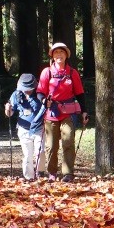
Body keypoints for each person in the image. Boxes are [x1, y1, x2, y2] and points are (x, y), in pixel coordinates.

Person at [36, 42, 89, 183]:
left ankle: (68, 174)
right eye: (56, 52)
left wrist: (84, 112)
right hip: (51, 113)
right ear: (52, 56)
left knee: (68, 142)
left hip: (69, 113)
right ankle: (52, 173)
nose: (59, 54)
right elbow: (40, 92)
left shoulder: (72, 73)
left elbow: (80, 94)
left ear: (66, 55)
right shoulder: (46, 72)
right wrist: (43, 101)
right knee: (51, 145)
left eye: (62, 52)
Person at [5, 73, 47, 181]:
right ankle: (29, 178)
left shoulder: (40, 95)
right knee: (27, 155)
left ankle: (40, 172)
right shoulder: (16, 95)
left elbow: (46, 107)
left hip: (39, 127)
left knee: (40, 151)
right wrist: (7, 109)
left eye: (29, 88)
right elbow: (9, 114)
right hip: (23, 129)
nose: (26, 90)